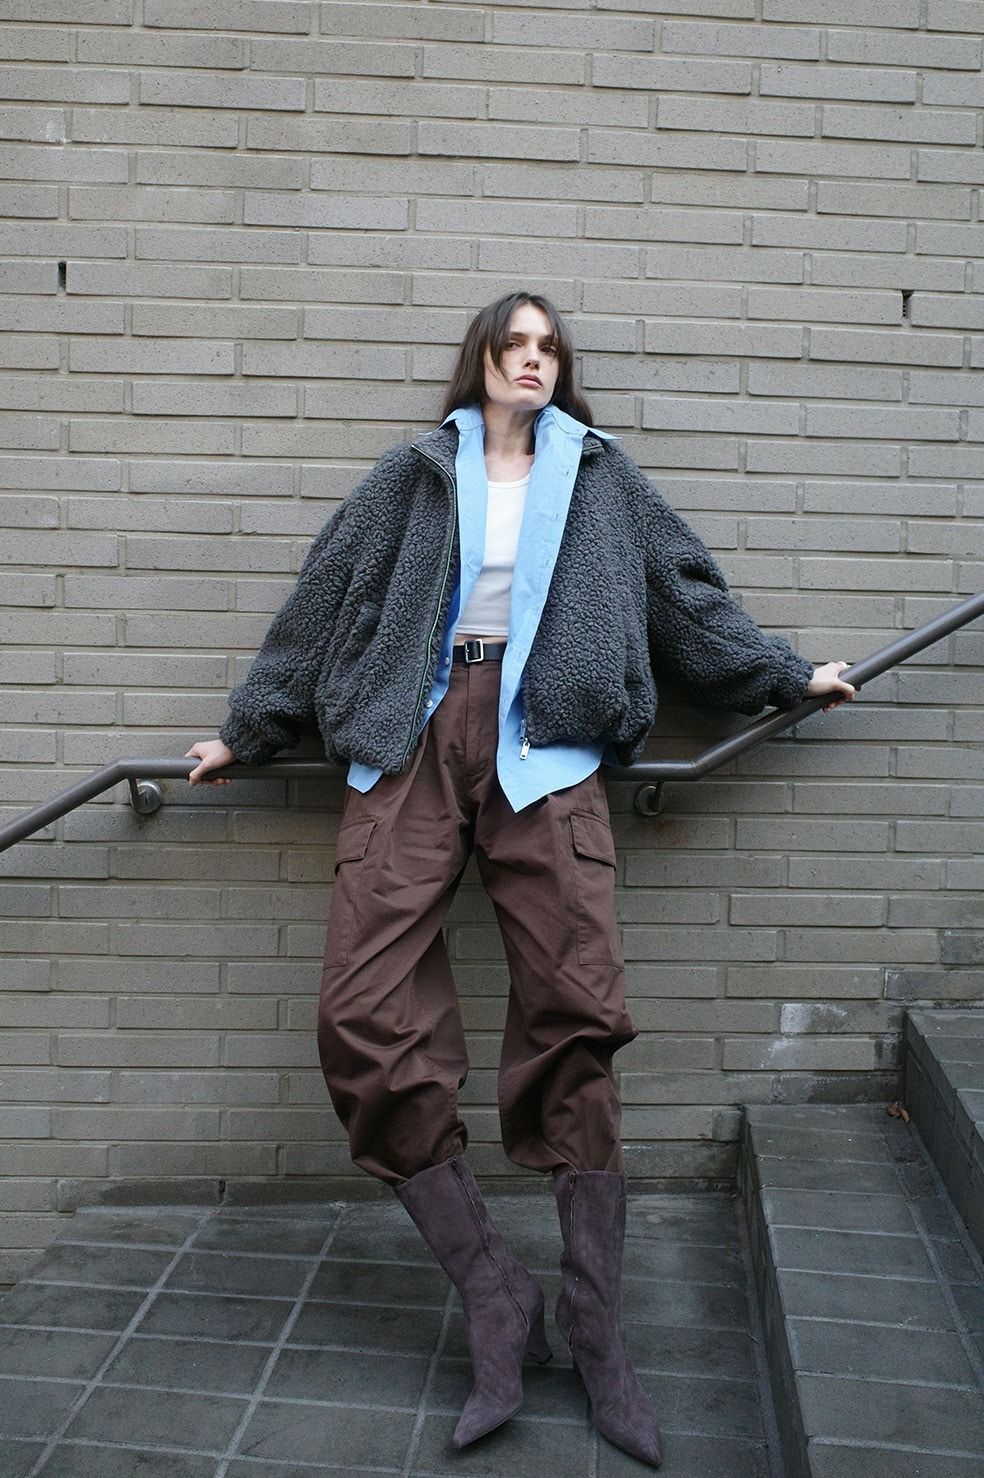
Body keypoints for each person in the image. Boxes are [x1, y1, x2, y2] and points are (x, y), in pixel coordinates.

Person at [185, 291, 856, 1468]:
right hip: (412, 732)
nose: (534, 360)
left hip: (546, 743)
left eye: (550, 347)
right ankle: (495, 1290)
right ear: (482, 358)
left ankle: (598, 1331)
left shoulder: (600, 476)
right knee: (361, 1013)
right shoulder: (413, 476)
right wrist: (251, 726)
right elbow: (321, 600)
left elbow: (685, 594)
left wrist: (781, 673)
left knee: (575, 1015)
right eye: (516, 343)